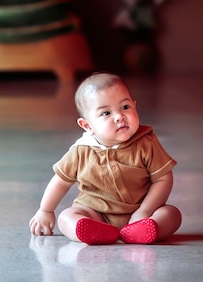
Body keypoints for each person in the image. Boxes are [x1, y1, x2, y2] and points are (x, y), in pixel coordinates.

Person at [29, 72, 182, 245]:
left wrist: (145, 211)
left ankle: (143, 231)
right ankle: (93, 232)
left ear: (134, 105)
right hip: (95, 213)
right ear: (87, 125)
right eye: (106, 113)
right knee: (67, 217)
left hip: (141, 213)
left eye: (125, 107)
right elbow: (60, 182)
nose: (120, 116)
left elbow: (163, 178)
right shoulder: (81, 151)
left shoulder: (146, 143)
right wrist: (45, 210)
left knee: (171, 214)